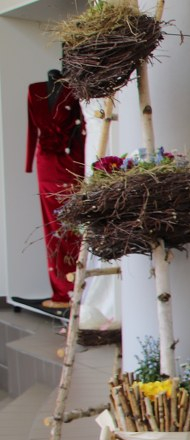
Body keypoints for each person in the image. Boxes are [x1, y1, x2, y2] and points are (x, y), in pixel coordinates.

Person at [26, 69, 85, 309]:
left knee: (73, 222)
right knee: (52, 224)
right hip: (47, 162)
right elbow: (32, 129)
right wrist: (28, 161)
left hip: (71, 161)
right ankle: (60, 288)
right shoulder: (34, 90)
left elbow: (83, 128)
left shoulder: (75, 90)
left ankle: (75, 286)